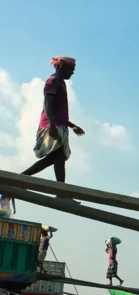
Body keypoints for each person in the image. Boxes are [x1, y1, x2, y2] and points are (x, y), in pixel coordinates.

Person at [22, 56, 85, 204]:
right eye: (71, 69)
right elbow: (47, 103)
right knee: (57, 156)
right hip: (51, 125)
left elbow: (59, 110)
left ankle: (57, 191)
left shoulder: (60, 83)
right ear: (60, 67)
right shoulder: (53, 81)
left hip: (58, 124)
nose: (72, 72)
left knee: (58, 157)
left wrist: (72, 125)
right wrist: (51, 124)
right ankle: (58, 191)